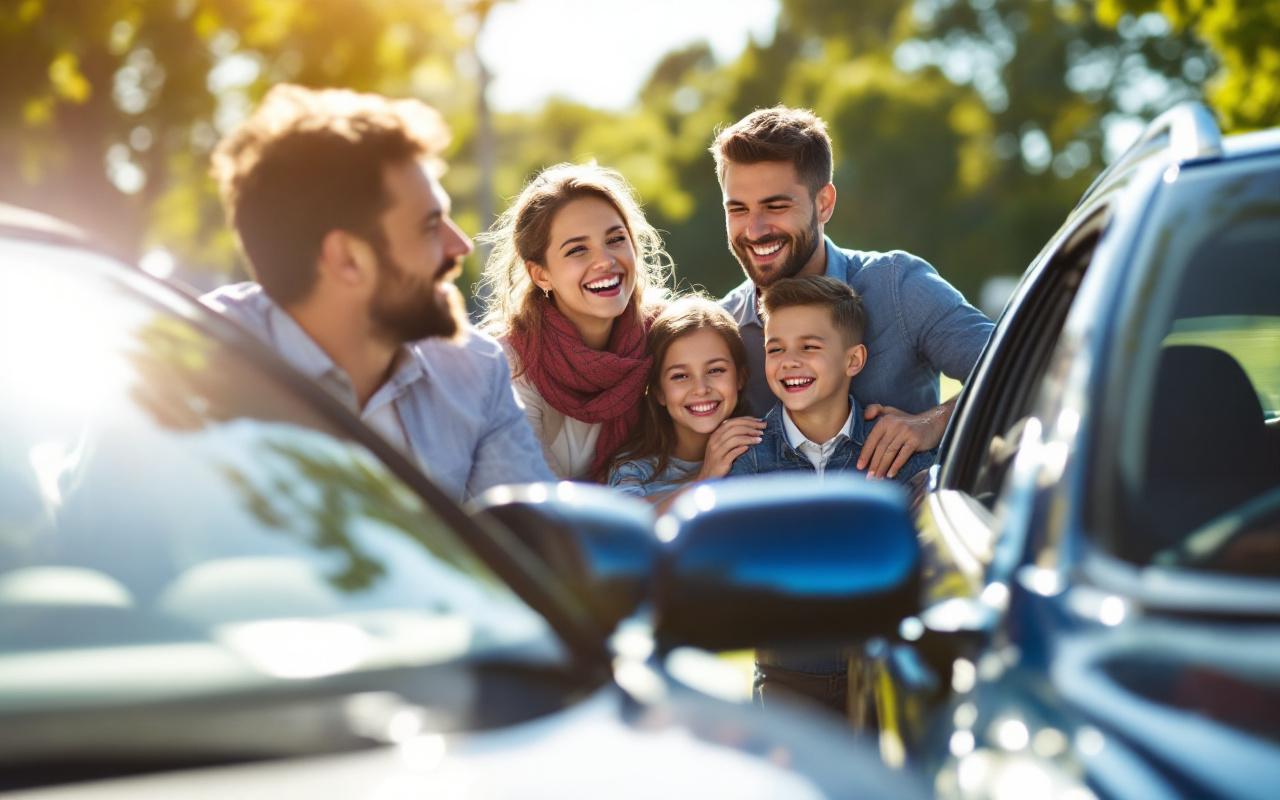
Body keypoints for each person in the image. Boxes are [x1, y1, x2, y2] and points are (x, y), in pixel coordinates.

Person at [203, 84, 552, 502]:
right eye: (429, 226)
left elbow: (532, 547)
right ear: (347, 259)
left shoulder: (477, 373)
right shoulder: (190, 365)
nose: (460, 246)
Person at [712, 106, 993, 480]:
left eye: (776, 206)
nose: (755, 229)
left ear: (824, 203)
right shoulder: (721, 330)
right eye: (738, 210)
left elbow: (1022, 366)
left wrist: (935, 421)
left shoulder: (898, 286)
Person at [727, 275, 932, 716]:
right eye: (776, 348)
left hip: (884, 681)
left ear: (854, 359)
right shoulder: (747, 463)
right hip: (786, 686)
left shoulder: (896, 453)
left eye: (810, 347)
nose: (789, 362)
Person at [478, 163, 671, 480]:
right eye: (578, 250)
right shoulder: (509, 365)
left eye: (616, 239)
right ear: (541, 274)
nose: (606, 261)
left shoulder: (666, 337)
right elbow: (541, 500)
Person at [608, 296, 765, 504]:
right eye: (680, 376)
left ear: (740, 378)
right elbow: (630, 529)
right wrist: (705, 479)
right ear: (658, 392)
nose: (700, 389)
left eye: (716, 370)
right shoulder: (633, 471)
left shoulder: (763, 446)